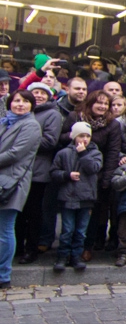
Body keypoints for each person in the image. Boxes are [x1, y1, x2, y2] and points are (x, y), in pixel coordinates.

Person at [60, 91, 122, 259]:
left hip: (96, 173)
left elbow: (112, 152)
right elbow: (62, 137)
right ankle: (66, 249)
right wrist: (76, 136)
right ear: (90, 103)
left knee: (92, 213)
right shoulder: (76, 116)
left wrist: (107, 179)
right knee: (69, 215)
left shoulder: (112, 124)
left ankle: (87, 246)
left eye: (105, 104)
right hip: (73, 170)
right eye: (98, 103)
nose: (102, 107)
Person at [15, 83, 60, 265]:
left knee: (34, 212)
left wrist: (24, 142)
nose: (39, 95)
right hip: (18, 171)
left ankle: (31, 249)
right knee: (18, 212)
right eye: (35, 92)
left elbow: (50, 142)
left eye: (43, 93)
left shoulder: (52, 114)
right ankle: (17, 246)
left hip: (38, 171)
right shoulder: (21, 112)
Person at [0, 90, 41, 288]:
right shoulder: (6, 121)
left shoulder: (31, 125)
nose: (20, 104)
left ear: (32, 105)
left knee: (5, 228)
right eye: (17, 101)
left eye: (25, 101)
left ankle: (3, 275)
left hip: (12, 182)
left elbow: (15, 154)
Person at [50, 122, 103, 272]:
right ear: (74, 136)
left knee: (81, 231)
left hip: (86, 199)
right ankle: (62, 256)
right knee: (67, 229)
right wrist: (67, 175)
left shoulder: (95, 153)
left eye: (87, 136)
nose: (84, 139)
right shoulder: (63, 153)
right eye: (81, 135)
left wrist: (83, 154)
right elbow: (54, 172)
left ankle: (76, 256)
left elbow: (94, 168)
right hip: (68, 197)